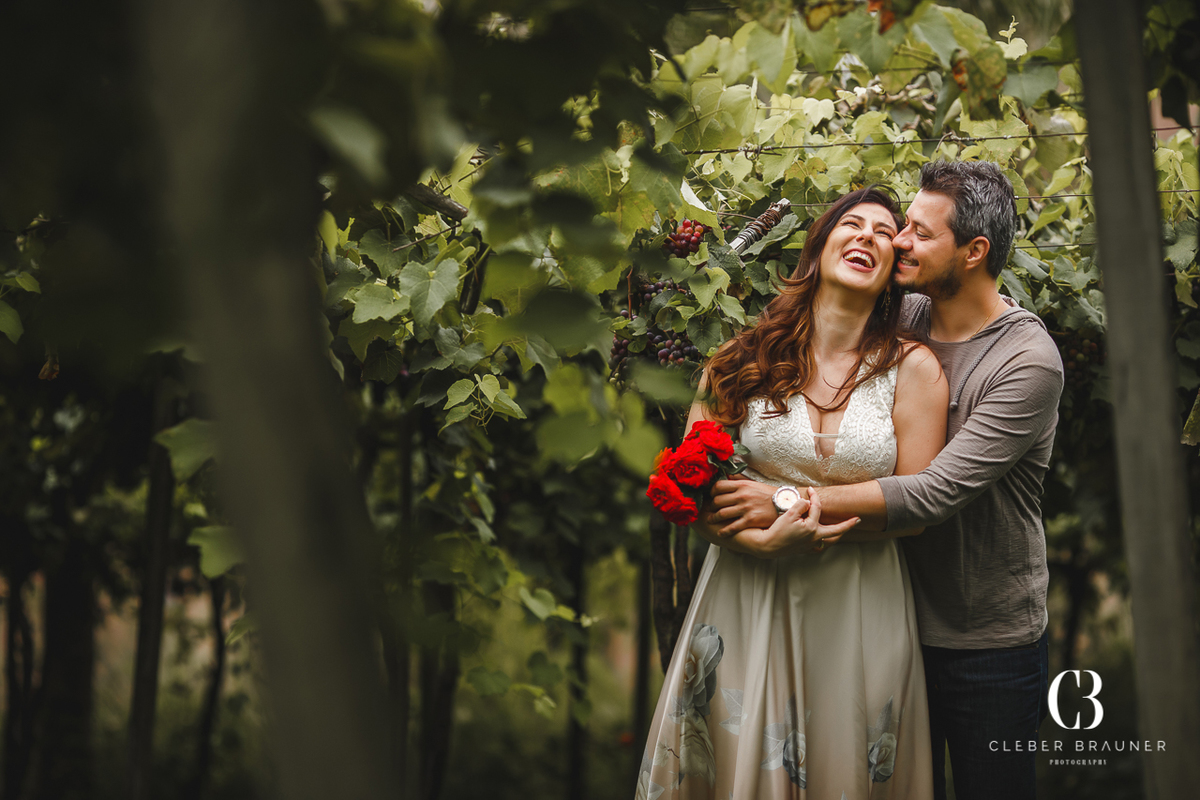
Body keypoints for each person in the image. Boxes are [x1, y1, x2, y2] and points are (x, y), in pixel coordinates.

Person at [708, 161, 1064, 800]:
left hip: (979, 633)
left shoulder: (1026, 362)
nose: (897, 242)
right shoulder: (904, 315)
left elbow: (930, 493)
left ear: (974, 252)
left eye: (919, 233)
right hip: (876, 611)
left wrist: (784, 500)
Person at [636, 187, 948, 800]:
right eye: (851, 225)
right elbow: (691, 495)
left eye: (885, 233)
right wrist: (761, 545)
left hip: (861, 602)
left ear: (894, 271)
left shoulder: (915, 369)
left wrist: (784, 504)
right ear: (818, 247)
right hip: (748, 594)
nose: (866, 237)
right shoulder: (737, 361)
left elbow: (915, 509)